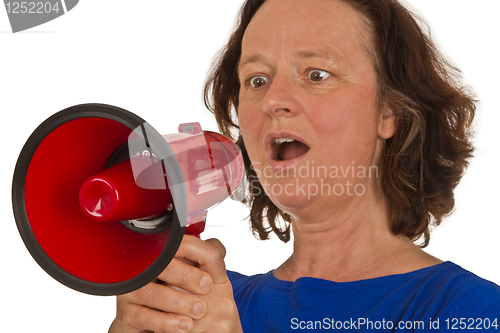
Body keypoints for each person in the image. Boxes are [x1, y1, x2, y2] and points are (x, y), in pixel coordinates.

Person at [109, 0, 500, 332]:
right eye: (257, 80)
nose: (273, 100)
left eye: (317, 74)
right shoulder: (208, 304)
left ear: (389, 112)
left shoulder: (469, 312)